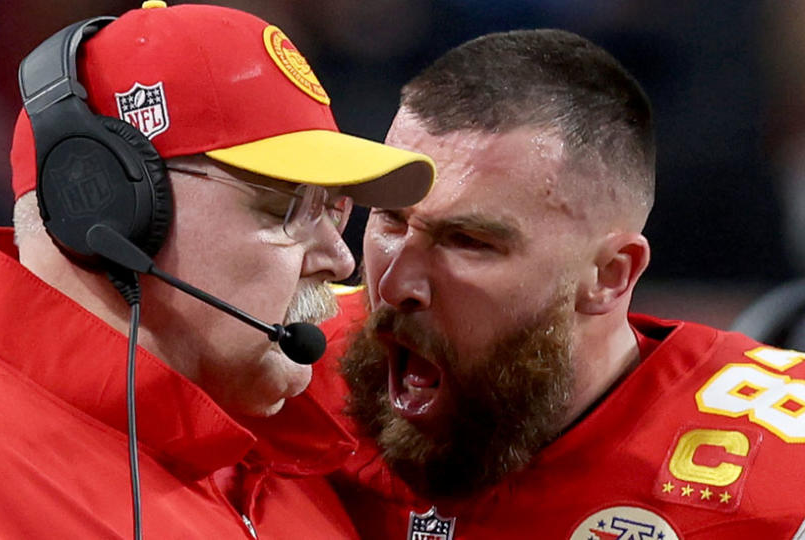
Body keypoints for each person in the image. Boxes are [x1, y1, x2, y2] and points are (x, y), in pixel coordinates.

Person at [0, 3, 435, 538]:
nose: (341, 257)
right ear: (107, 207)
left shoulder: (284, 459)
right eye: (285, 207)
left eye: (333, 209)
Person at [309, 29, 805, 539]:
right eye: (391, 221)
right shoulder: (278, 372)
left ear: (610, 275)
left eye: (467, 241)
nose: (394, 285)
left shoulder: (784, 486)